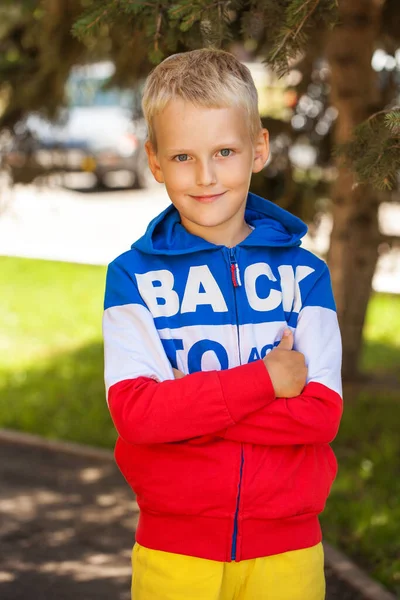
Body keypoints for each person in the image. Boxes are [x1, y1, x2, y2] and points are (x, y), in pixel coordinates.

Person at [102, 48, 343, 600]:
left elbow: (321, 415)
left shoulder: (304, 276)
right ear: (155, 161)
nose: (206, 176)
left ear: (258, 149)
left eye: (225, 151)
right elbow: (136, 414)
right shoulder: (132, 277)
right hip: (173, 552)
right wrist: (264, 384)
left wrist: (182, 411)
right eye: (183, 157)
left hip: (288, 551)